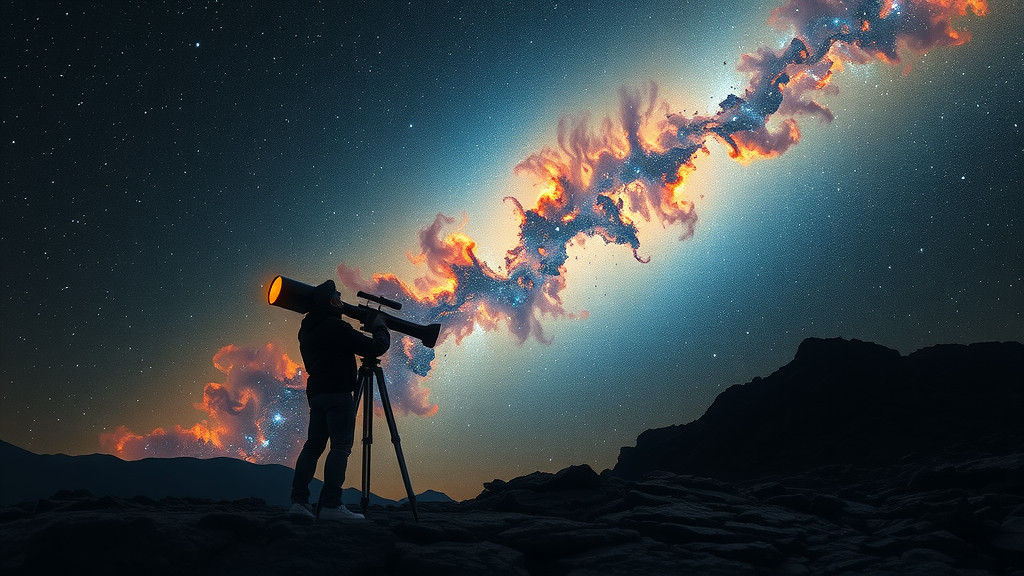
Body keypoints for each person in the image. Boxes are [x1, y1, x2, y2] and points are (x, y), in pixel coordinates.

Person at [289, 279, 390, 520]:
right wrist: (380, 327)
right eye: (337, 296)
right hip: (338, 394)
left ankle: (298, 503)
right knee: (341, 447)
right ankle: (331, 505)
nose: (340, 300)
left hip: (317, 395)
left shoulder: (306, 331)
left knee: (313, 447)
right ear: (330, 302)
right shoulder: (337, 327)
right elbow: (376, 347)